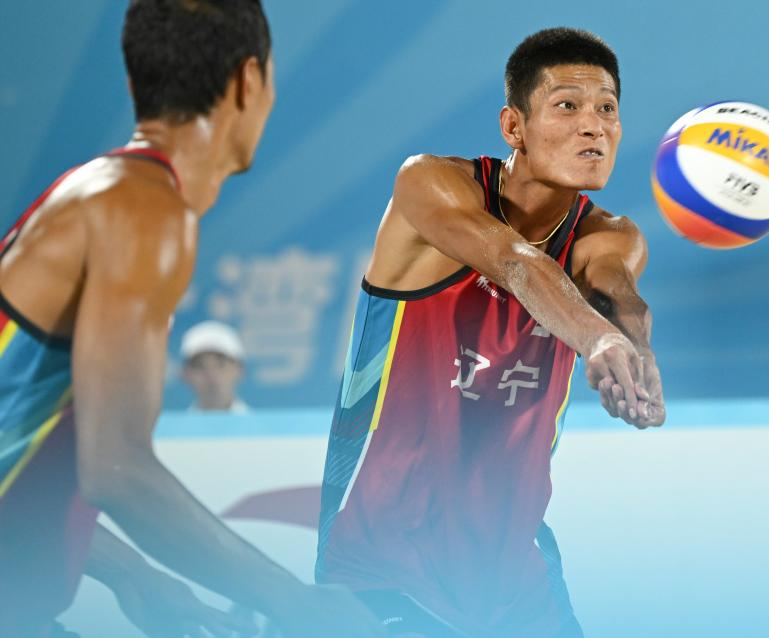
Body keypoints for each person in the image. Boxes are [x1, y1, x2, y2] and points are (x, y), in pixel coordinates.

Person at [0, 2, 381, 636]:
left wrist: (135, 573)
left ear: (135, 85)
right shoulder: (144, 209)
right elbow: (115, 471)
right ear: (249, 81)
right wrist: (298, 603)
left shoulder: (94, 194)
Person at [316, 27, 665, 638]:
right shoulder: (429, 186)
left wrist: (634, 349)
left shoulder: (611, 235)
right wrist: (598, 340)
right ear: (513, 127)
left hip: (516, 576)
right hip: (380, 561)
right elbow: (513, 261)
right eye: (567, 106)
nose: (593, 126)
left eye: (607, 109)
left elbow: (617, 291)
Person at [180, 320, 250, 413]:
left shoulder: (262, 422)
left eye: (221, 364)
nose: (211, 375)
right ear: (185, 374)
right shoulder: (172, 423)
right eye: (200, 366)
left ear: (240, 370)